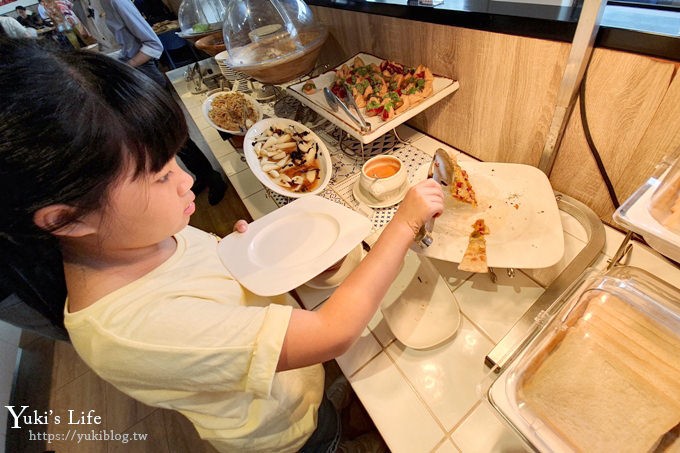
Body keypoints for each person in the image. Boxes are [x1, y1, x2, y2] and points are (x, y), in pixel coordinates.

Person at [0, 38, 444, 452]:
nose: (187, 179)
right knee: (323, 435)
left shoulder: (134, 239)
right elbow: (334, 333)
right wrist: (402, 225)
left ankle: (331, 405)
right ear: (67, 218)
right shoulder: (138, 331)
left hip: (289, 378)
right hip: (283, 433)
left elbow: (217, 286)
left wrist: (270, 259)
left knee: (321, 401)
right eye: (159, 176)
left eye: (175, 160)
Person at [99, 0, 226, 204]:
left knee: (174, 134)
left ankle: (213, 177)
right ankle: (202, 174)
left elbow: (153, 44)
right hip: (127, 78)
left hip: (141, 76)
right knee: (162, 137)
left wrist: (124, 69)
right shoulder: (85, 6)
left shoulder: (116, 2)